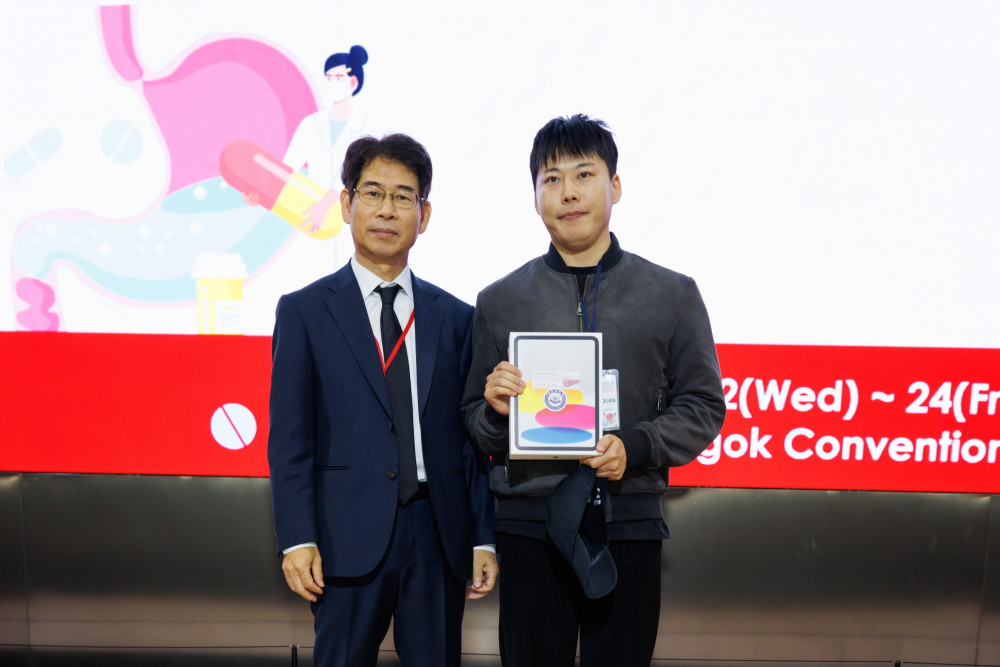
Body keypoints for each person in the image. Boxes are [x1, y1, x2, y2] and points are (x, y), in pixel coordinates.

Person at [461, 114, 726, 666]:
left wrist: (637, 445)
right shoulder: (499, 300)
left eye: (584, 174)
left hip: (628, 519)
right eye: (551, 179)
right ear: (535, 197)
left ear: (616, 186)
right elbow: (475, 424)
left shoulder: (672, 294)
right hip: (530, 525)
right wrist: (495, 410)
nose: (569, 192)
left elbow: (703, 406)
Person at [268, 133, 497, 667]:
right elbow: (290, 440)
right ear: (347, 204)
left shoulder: (457, 318)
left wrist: (482, 538)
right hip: (344, 535)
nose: (387, 210)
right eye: (372, 193)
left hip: (437, 533)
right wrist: (297, 538)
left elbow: (468, 443)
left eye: (403, 196)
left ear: (424, 214)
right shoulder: (304, 312)